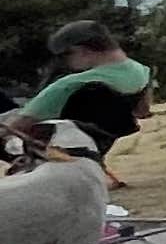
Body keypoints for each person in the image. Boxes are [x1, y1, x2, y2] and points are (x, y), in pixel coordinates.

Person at [12, 20, 152, 181]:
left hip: (58, 147)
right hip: (96, 145)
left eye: (64, 56)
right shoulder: (143, 72)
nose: (64, 62)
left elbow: (17, 126)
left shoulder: (69, 84)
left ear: (82, 51)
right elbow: (142, 112)